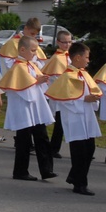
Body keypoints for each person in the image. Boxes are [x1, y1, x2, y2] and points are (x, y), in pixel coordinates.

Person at [46, 42, 102, 195]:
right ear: (77, 58)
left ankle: (74, 175)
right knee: (79, 150)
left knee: (90, 147)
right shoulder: (67, 76)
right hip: (74, 117)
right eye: (86, 57)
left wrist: (93, 98)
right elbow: (65, 99)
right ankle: (80, 184)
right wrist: (85, 99)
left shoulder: (83, 73)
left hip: (87, 115)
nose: (88, 60)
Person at [0, 35, 56, 181]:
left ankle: (46, 169)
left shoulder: (31, 65)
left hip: (36, 107)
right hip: (24, 108)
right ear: (22, 50)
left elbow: (36, 84)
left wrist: (41, 81)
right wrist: (36, 81)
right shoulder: (17, 67)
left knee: (42, 137)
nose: (35, 53)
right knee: (24, 140)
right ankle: (20, 171)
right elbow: (19, 88)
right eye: (33, 50)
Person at [41, 30, 72, 159]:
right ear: (58, 42)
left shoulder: (68, 55)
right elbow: (57, 77)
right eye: (64, 42)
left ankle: (54, 147)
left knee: (63, 121)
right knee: (59, 121)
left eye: (69, 42)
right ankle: (53, 148)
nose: (67, 44)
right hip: (60, 94)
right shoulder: (57, 58)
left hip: (67, 92)